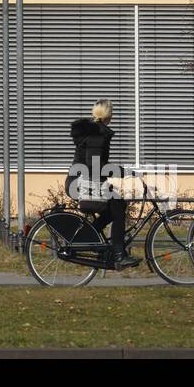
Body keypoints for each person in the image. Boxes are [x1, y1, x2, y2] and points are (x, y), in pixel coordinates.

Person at [66, 99, 138, 269]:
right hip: (83, 183)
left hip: (82, 181)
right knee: (118, 208)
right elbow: (96, 166)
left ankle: (90, 238)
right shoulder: (97, 135)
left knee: (116, 205)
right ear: (109, 115)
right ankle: (119, 254)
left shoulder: (93, 131)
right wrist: (125, 173)